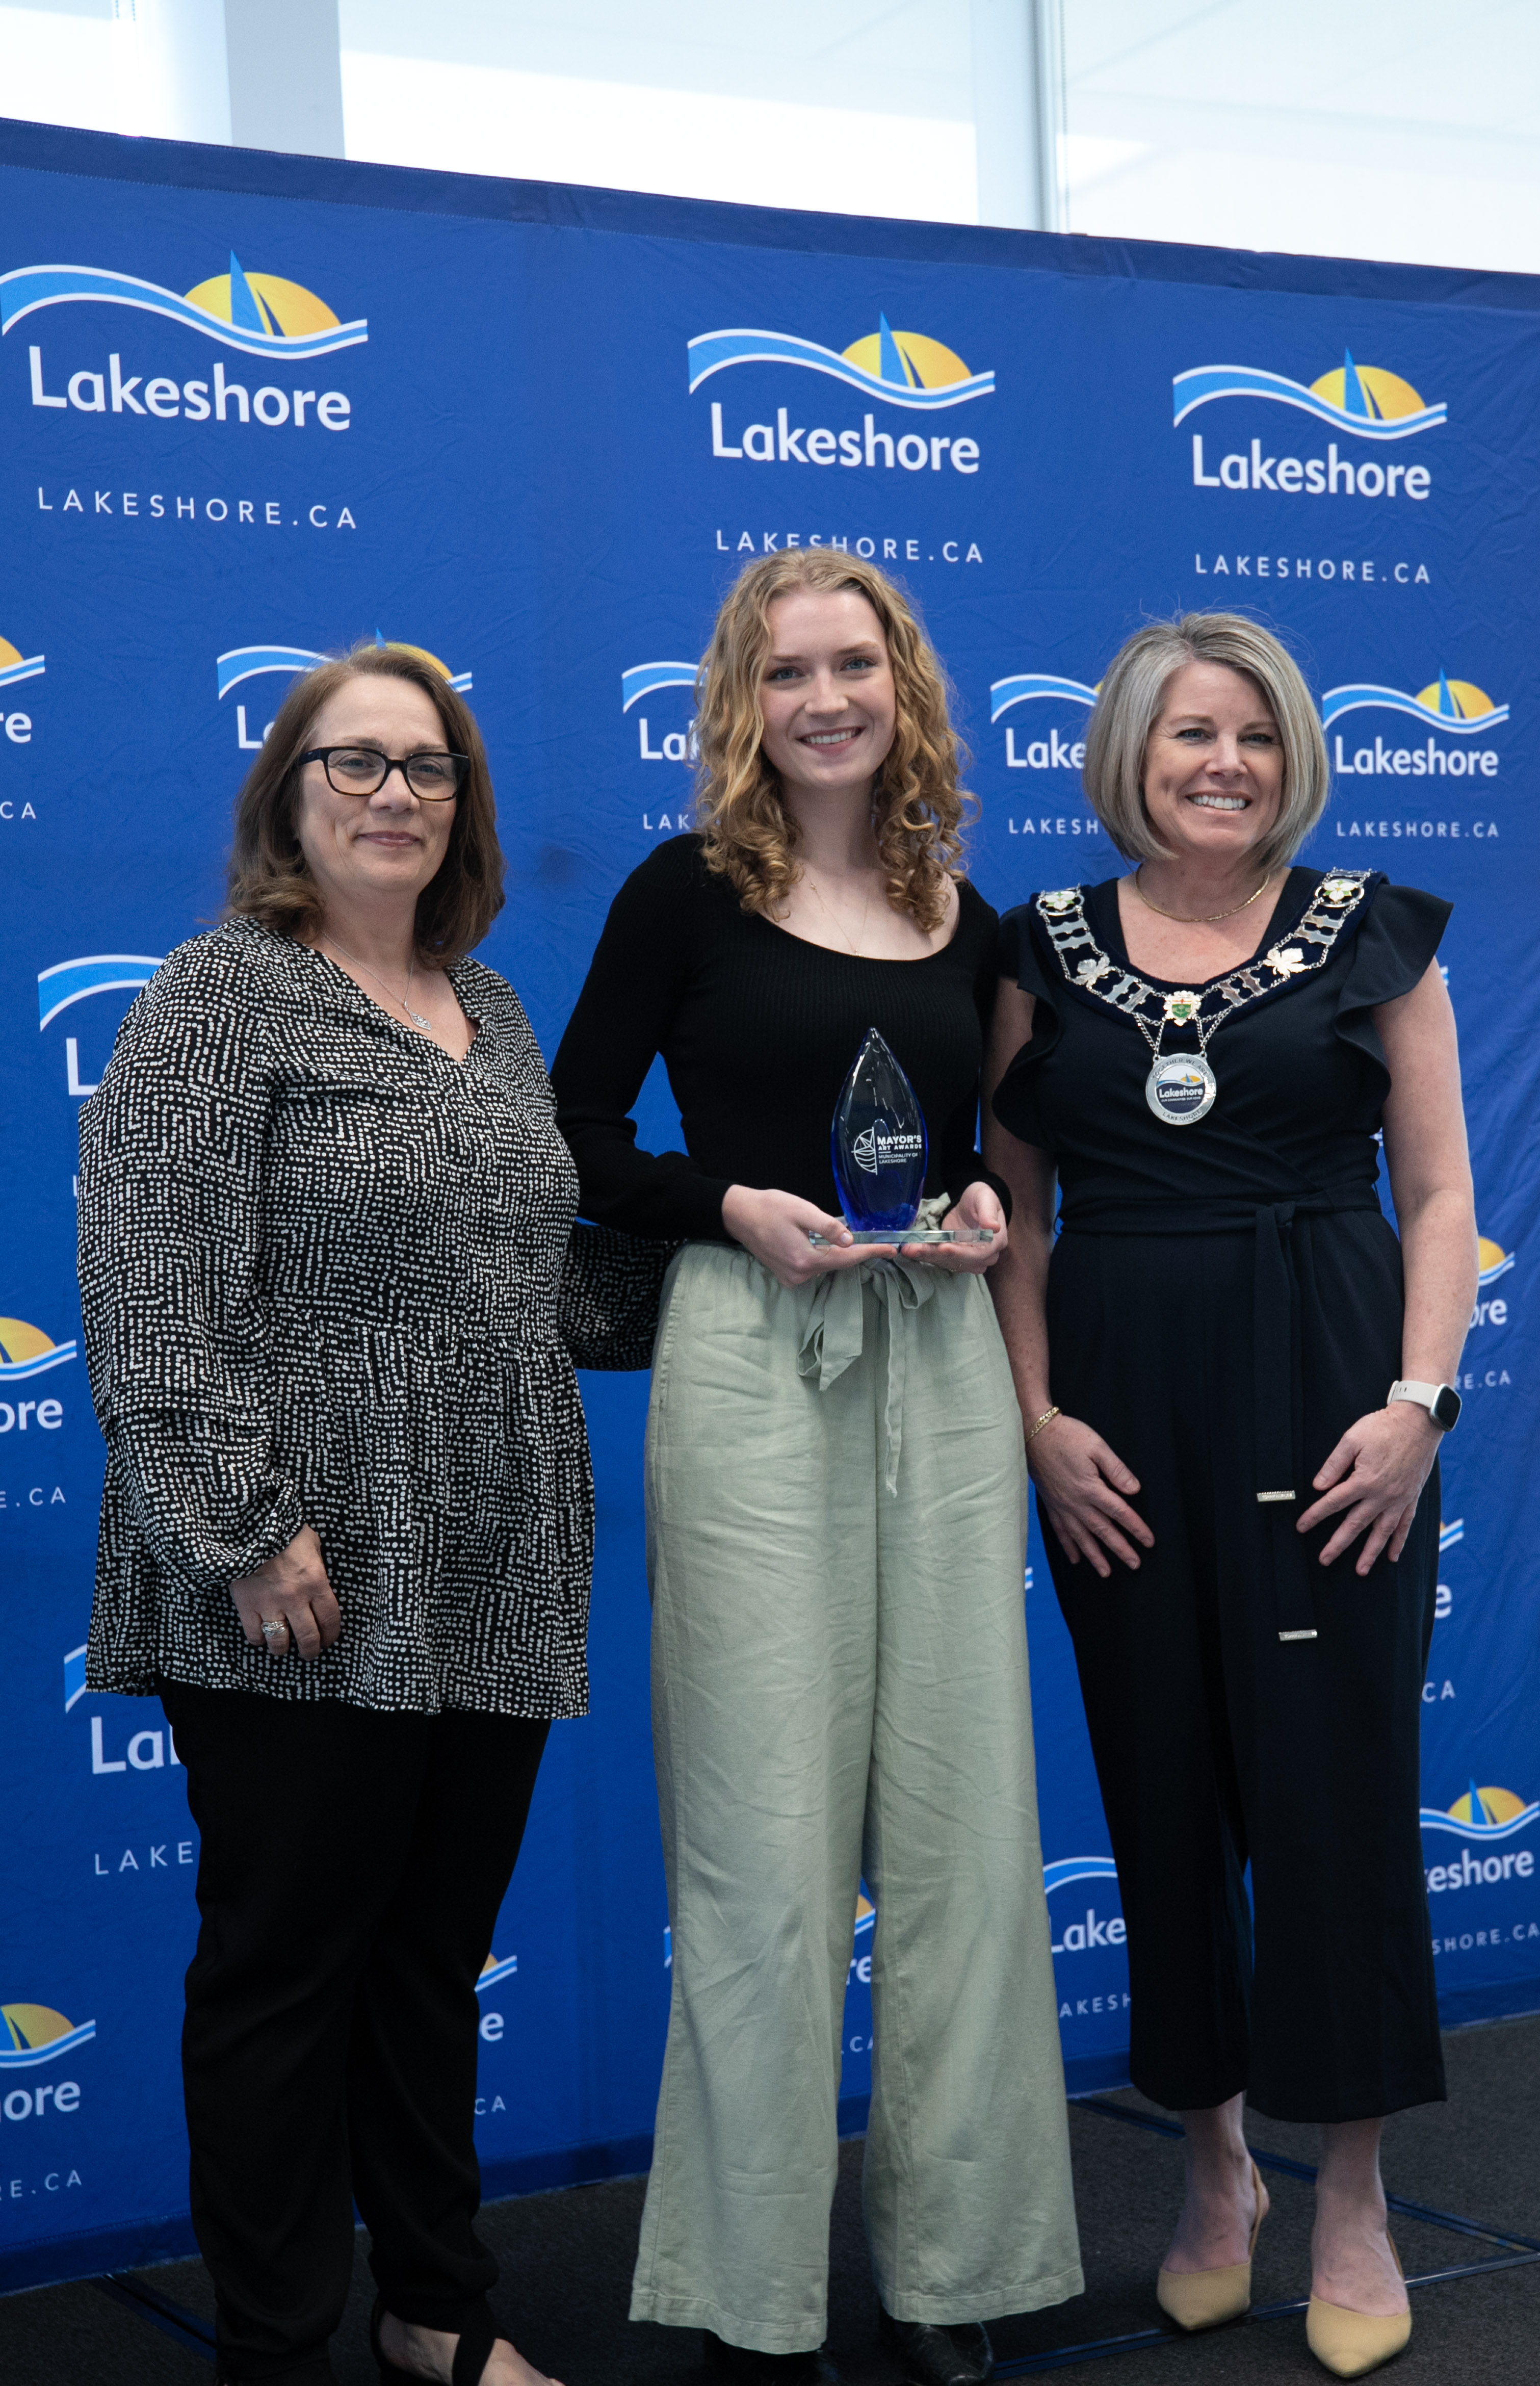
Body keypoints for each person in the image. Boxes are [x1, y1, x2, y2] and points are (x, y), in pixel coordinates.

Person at [77, 645, 663, 2386]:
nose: (395, 793)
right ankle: (273, 2346)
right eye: (356, 763)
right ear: (289, 793)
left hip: (489, 1554)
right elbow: (144, 1283)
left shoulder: (491, 1013)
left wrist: (775, 1277)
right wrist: (247, 1529)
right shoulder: (216, 993)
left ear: (463, 803)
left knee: (427, 1966)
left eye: (428, 766)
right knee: (283, 1980)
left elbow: (528, 1291)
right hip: (298, 1569)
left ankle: (436, 2310)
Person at [552, 550, 1082, 2386]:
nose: (828, 699)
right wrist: (727, 1209)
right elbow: (578, 1130)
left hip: (936, 1362)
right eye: (790, 674)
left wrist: (972, 1207)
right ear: (743, 703)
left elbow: (1008, 1163)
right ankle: (752, 2293)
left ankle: (951, 2273)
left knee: (958, 1835)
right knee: (763, 1847)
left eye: (857, 664)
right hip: (749, 1359)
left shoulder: (967, 911)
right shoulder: (683, 894)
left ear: (905, 686)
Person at [983, 612, 1476, 2380]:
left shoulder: (1376, 936)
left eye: (1256, 738)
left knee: (1336, 1787)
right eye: (1192, 733)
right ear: (1131, 750)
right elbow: (1013, 1217)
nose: (1225, 765)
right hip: (1118, 1420)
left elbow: (1435, 1198)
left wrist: (1418, 1405)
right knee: (1163, 1781)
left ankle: (1351, 2189)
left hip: (1335, 1391)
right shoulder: (1034, 947)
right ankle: (1211, 2172)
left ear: (1294, 760)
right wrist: (1035, 1420)